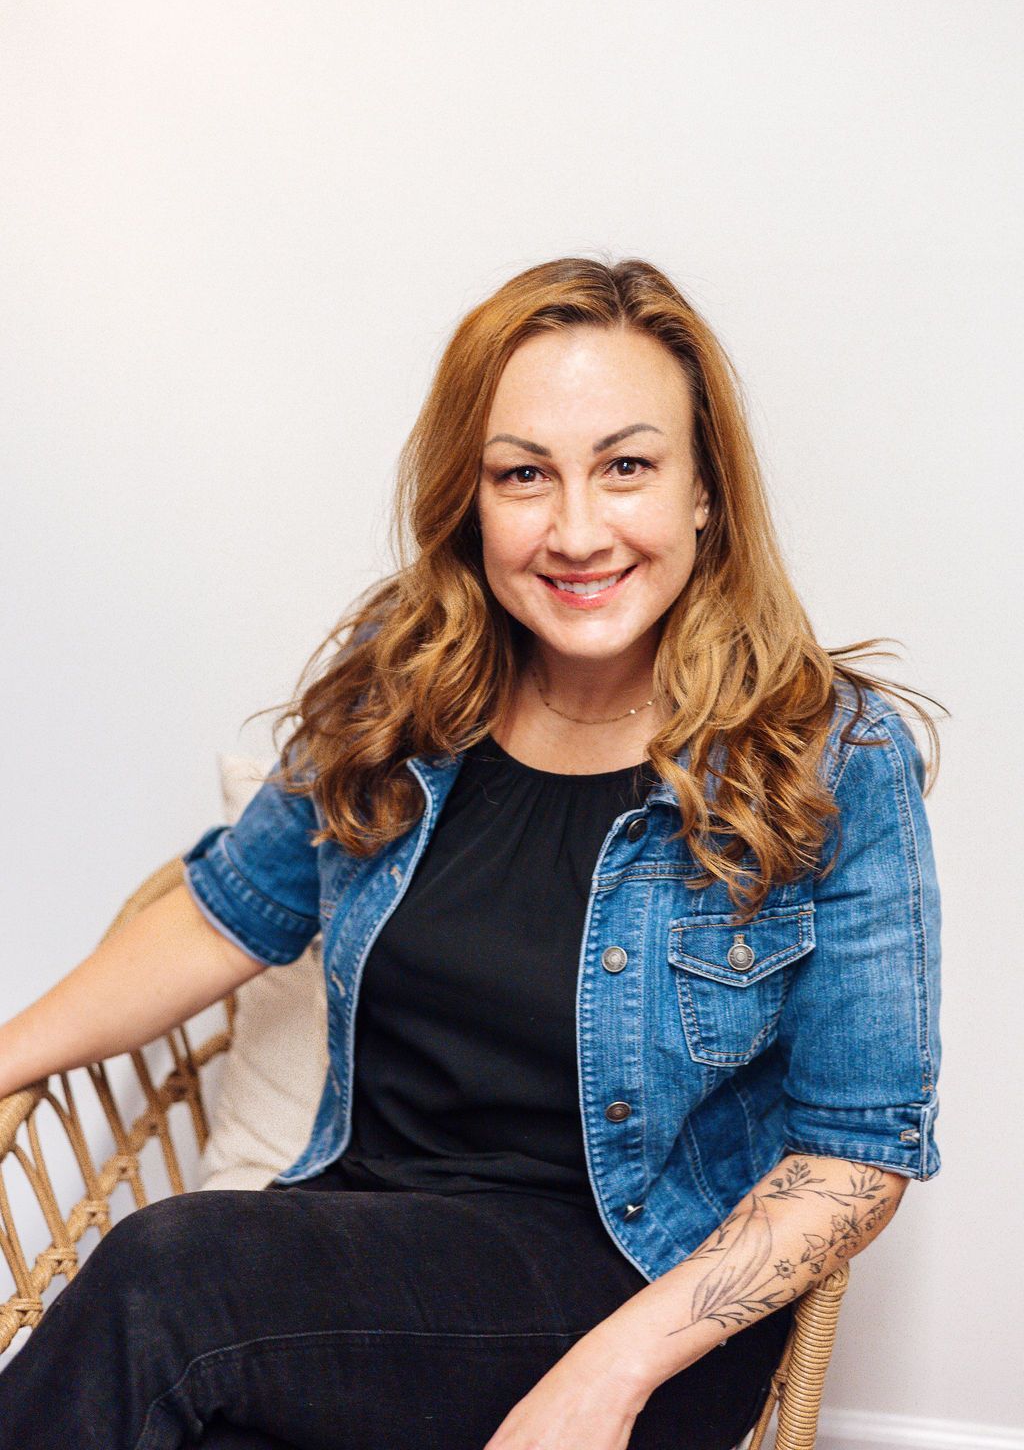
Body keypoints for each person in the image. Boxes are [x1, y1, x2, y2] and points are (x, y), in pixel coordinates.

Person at [0, 256, 944, 1450]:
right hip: (349, 1257)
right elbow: (230, 911)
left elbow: (854, 1156)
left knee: (167, 1274)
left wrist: (602, 1379)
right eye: (522, 476)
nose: (576, 530)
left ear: (705, 493)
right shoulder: (407, 676)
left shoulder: (831, 755)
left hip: (637, 1302)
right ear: (470, 497)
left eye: (627, 467)